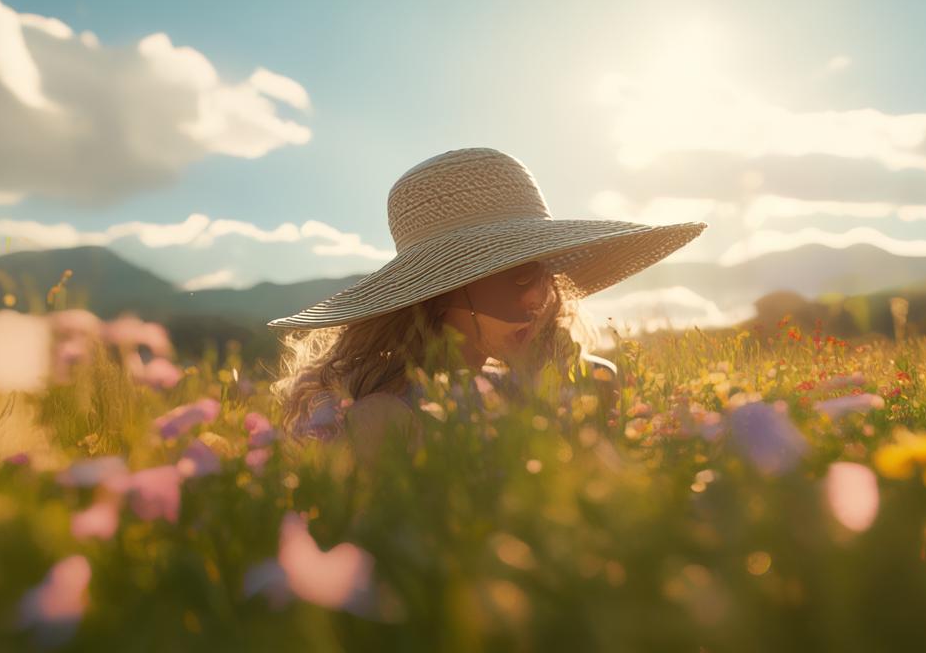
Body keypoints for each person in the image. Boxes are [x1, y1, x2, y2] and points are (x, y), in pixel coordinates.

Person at [268, 147, 706, 458]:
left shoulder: (556, 385)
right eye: (513, 275)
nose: (538, 298)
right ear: (441, 292)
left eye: (541, 272)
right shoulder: (384, 418)